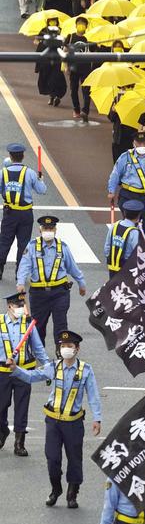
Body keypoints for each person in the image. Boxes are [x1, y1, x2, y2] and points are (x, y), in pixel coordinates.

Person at [6, 330, 101, 508]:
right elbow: (32, 376)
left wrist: (97, 418)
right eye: (63, 346)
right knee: (52, 458)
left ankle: (72, 494)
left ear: (77, 349)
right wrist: (15, 370)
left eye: (69, 346)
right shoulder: (53, 367)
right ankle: (55, 488)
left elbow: (94, 395)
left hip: (73, 422)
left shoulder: (86, 370)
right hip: (53, 422)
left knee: (74, 459)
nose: (65, 349)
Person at [17, 215, 86, 346]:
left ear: (55, 230)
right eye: (45, 228)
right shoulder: (32, 246)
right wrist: (20, 282)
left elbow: (73, 267)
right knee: (39, 326)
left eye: (51, 228)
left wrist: (81, 283)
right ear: (40, 230)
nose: (48, 230)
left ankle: (61, 351)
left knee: (61, 325)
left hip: (60, 293)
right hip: (38, 294)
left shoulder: (63, 247)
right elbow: (24, 265)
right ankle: (39, 350)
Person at [0, 291, 48, 457]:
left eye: (22, 305)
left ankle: (19, 442)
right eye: (18, 306)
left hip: (24, 372)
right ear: (9, 306)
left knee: (22, 407)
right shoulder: (0, 323)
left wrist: (48, 367)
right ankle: (2, 430)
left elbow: (38, 348)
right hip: (2, 372)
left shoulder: (28, 325)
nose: (21, 308)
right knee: (1, 405)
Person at [0, 143, 47, 280]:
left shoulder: (3, 173)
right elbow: (42, 190)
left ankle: (0, 268)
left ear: (10, 156)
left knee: (4, 241)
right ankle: (19, 272)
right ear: (23, 156)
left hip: (9, 213)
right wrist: (40, 180)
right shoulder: (30, 173)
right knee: (23, 243)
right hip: (25, 214)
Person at [107, 130, 145, 220]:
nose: (142, 146)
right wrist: (111, 191)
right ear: (133, 143)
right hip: (130, 196)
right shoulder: (125, 157)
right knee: (131, 224)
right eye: (139, 143)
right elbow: (115, 175)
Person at [103, 198, 144, 277]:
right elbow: (138, 253)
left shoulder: (115, 225)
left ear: (124, 213)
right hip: (127, 269)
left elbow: (107, 247)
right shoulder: (134, 232)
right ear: (138, 216)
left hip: (112, 267)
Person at [63, 17, 93, 121]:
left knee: (86, 91)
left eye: (83, 24)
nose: (81, 25)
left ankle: (85, 111)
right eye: (79, 23)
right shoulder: (70, 37)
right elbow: (65, 52)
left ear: (86, 26)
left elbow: (95, 52)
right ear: (76, 25)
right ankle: (76, 109)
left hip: (86, 68)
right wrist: (66, 66)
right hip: (73, 68)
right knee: (73, 90)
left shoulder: (89, 38)